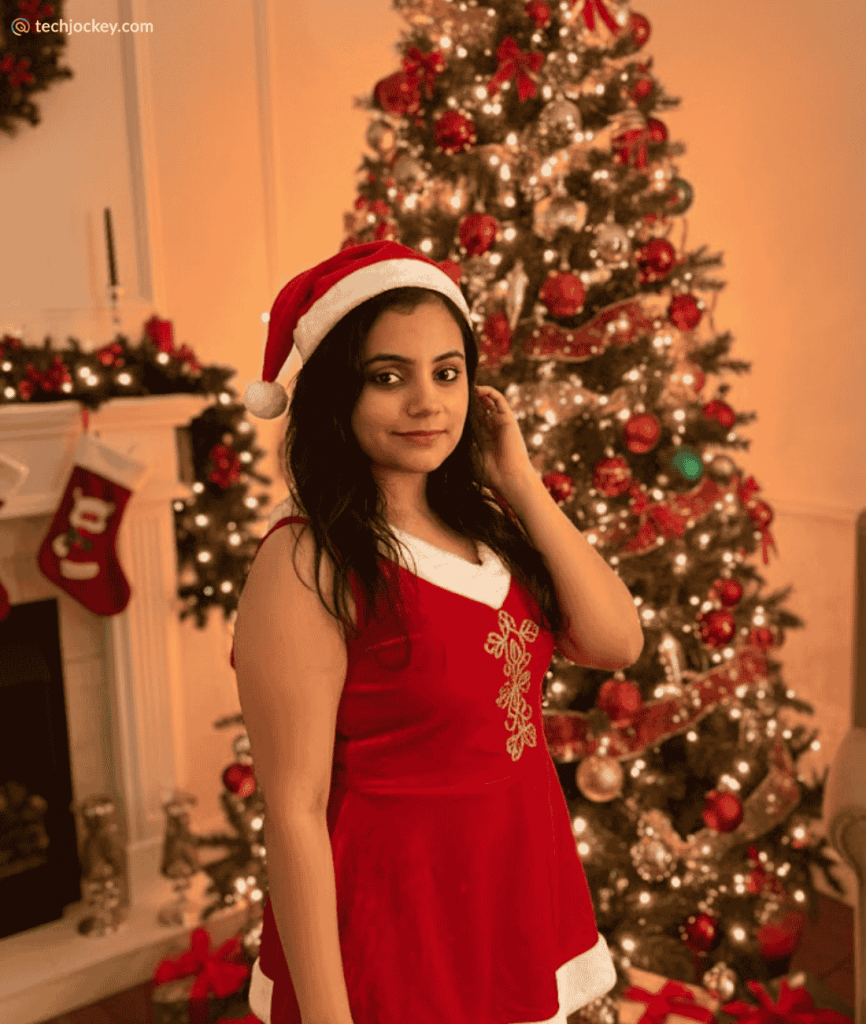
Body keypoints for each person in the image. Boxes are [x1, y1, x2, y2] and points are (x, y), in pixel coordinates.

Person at [232, 240, 641, 1024]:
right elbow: (294, 808)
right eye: (389, 377)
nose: (428, 402)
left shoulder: (484, 525)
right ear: (334, 395)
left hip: (511, 896)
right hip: (397, 928)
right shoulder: (306, 559)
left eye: (447, 373)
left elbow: (616, 642)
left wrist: (519, 480)